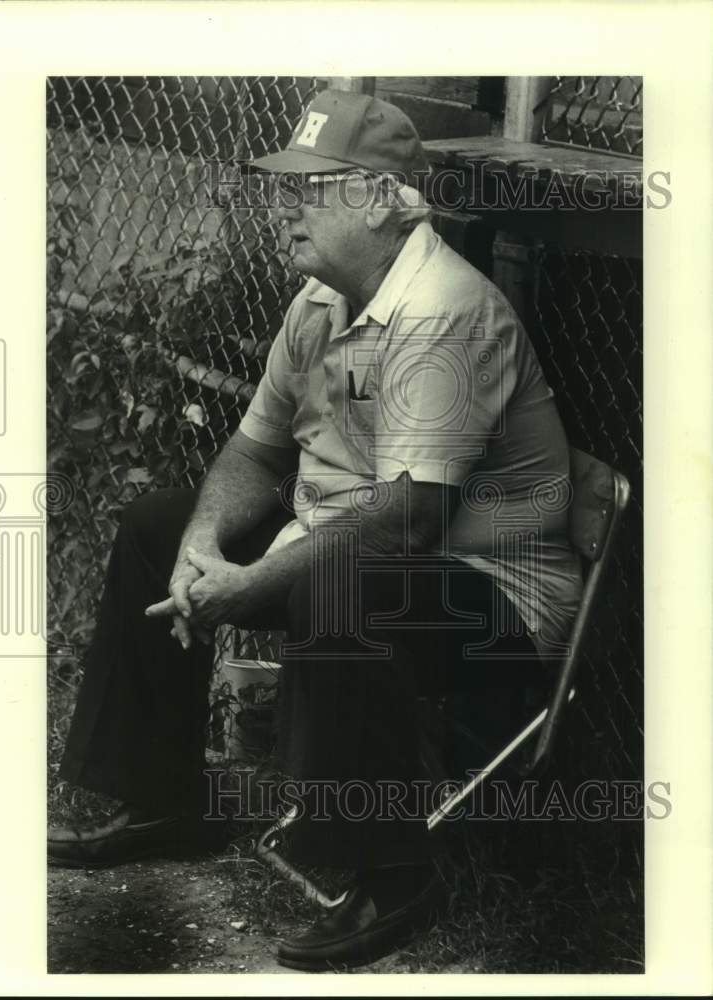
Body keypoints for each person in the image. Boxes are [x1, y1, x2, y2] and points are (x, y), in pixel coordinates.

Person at [48, 89, 583, 970]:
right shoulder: (320, 299)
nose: (284, 206)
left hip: (491, 599)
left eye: (311, 187)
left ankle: (392, 873)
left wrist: (251, 585)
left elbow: (408, 520)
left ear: (380, 199)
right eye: (281, 186)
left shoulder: (443, 313)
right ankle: (158, 800)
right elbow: (255, 452)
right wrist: (200, 549)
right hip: (366, 549)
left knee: (346, 583)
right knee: (156, 523)